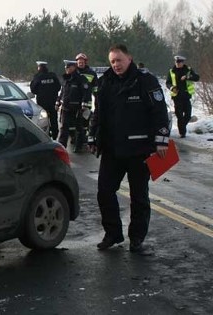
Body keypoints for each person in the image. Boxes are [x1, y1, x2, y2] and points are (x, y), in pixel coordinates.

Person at [88, 44, 170, 255]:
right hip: (112, 150)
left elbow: (160, 111)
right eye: (113, 61)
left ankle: (137, 238)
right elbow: (98, 112)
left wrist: (161, 140)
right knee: (104, 193)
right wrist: (93, 135)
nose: (116, 65)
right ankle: (113, 233)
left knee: (138, 197)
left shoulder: (145, 80)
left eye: (119, 60)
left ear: (129, 58)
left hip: (139, 150)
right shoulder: (105, 81)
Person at [57, 59, 91, 152]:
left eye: (68, 67)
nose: (66, 69)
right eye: (65, 67)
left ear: (74, 67)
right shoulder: (65, 79)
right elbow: (62, 92)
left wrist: (84, 105)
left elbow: (86, 93)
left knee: (79, 127)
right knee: (64, 128)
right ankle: (62, 147)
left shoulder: (81, 79)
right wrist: (58, 102)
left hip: (77, 108)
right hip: (66, 107)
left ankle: (79, 146)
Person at [166, 55, 200, 138]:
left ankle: (181, 127)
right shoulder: (171, 71)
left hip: (186, 95)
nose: (177, 64)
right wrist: (172, 88)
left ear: (182, 62)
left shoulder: (188, 70)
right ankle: (182, 133)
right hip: (177, 96)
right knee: (179, 115)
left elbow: (197, 77)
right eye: (176, 62)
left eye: (179, 62)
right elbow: (168, 82)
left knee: (188, 115)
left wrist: (188, 77)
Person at [30, 61, 61, 139]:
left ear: (39, 67)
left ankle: (44, 135)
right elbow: (58, 87)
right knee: (54, 119)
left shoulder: (37, 77)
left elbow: (33, 89)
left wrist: (41, 92)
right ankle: (55, 135)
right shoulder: (53, 76)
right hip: (53, 101)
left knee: (43, 119)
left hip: (42, 102)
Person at [75, 53, 99, 144]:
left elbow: (95, 87)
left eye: (82, 62)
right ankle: (74, 136)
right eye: (79, 62)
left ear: (85, 62)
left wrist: (97, 98)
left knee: (84, 120)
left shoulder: (91, 73)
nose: (80, 63)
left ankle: (83, 137)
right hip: (74, 101)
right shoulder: (74, 72)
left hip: (86, 102)